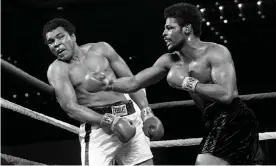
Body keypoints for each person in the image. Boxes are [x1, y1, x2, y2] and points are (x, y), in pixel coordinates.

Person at [97, 2, 265, 165]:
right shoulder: (169, 61)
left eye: (170, 28)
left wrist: (186, 82)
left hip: (233, 117)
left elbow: (227, 95)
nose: (164, 33)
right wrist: (107, 84)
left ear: (187, 28)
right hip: (213, 120)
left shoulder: (215, 52)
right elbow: (134, 82)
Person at [43, 18, 164, 166]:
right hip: (98, 128)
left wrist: (146, 112)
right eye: (51, 42)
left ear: (73, 37)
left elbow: (131, 82)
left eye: (60, 37)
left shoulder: (101, 49)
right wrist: (110, 121)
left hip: (130, 118)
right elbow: (71, 108)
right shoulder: (57, 70)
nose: (56, 44)